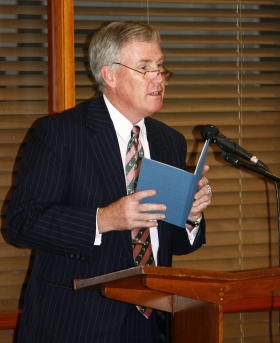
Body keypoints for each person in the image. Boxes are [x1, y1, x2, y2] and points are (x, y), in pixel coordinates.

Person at [7, 21, 212, 343]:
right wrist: (104, 219)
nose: (158, 77)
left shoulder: (168, 140)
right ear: (110, 75)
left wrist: (191, 215)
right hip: (77, 320)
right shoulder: (61, 133)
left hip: (155, 319)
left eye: (160, 66)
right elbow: (21, 223)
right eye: (144, 68)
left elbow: (176, 245)